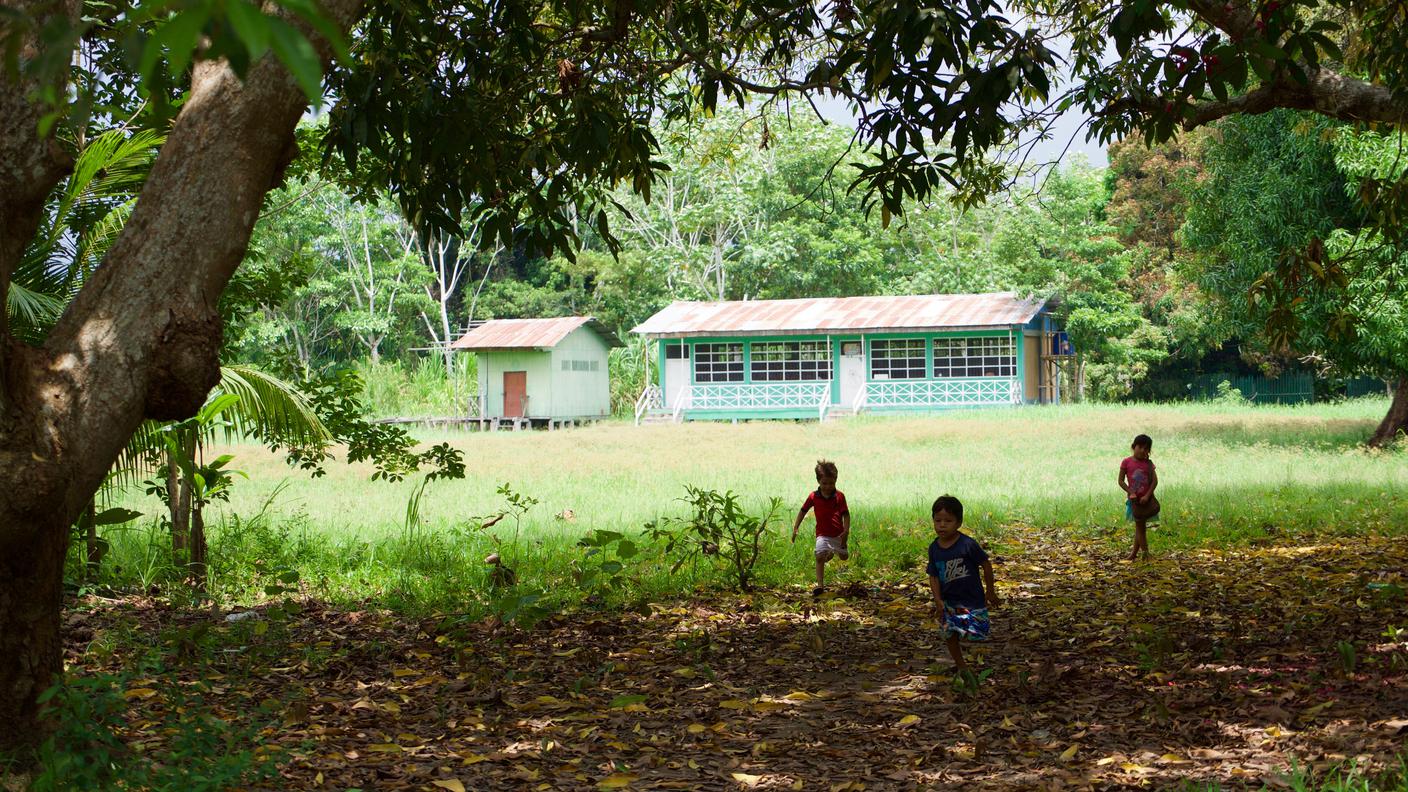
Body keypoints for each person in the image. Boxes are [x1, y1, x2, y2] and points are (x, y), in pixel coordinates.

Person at [926, 494, 998, 674]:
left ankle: (980, 665)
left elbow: (986, 565)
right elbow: (933, 576)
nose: (942, 525)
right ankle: (962, 666)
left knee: (977, 634)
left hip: (972, 600)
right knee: (949, 634)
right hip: (949, 602)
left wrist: (990, 591)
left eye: (948, 521)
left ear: (958, 523)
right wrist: (937, 600)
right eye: (938, 520)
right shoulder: (934, 549)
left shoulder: (967, 544)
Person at [790, 459, 850, 596]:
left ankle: (833, 552)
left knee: (844, 557)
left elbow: (846, 515)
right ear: (818, 481)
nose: (828, 486)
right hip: (822, 534)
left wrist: (846, 531)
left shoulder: (839, 496)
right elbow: (803, 511)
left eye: (831, 483)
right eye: (824, 483)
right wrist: (796, 528)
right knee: (818, 556)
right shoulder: (813, 496)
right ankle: (820, 585)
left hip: (838, 535)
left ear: (836, 480)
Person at [1118, 433, 1160, 560]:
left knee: (1140, 527)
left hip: (1146, 501)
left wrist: (1147, 495)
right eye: (1140, 447)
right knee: (1140, 527)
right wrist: (1131, 491)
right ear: (1133, 447)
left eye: (1146, 448)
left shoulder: (1149, 464)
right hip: (1135, 501)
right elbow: (1120, 481)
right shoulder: (1126, 462)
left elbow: (1154, 481)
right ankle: (1145, 553)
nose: (1142, 451)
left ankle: (1136, 554)